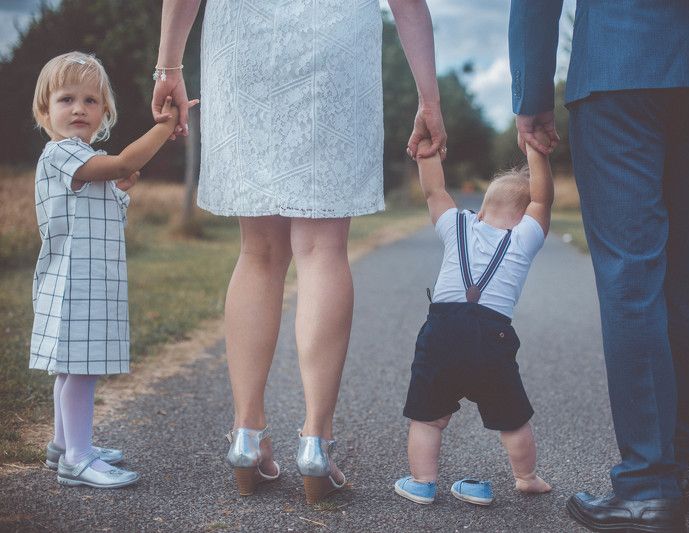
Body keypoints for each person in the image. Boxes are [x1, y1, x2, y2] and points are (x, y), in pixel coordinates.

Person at [151, 0, 446, 503]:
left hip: (244, 44)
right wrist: (429, 99)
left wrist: (168, 67)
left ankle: (247, 435)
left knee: (258, 253)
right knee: (322, 250)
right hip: (335, 45)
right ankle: (315, 443)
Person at [509, 1, 689, 531]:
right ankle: (671, 469)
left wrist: (532, 93)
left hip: (620, 59)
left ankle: (649, 485)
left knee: (630, 275)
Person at [29, 51, 195, 488]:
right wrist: (163, 128)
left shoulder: (82, 160)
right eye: (66, 99)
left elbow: (104, 200)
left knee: (71, 368)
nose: (79, 109)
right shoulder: (61, 152)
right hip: (75, 286)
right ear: (45, 111)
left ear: (104, 111)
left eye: (90, 100)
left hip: (84, 282)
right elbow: (124, 161)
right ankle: (78, 459)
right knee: (81, 369)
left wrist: (119, 189)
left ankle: (63, 445)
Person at [393, 138, 553, 506]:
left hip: (442, 332)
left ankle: (422, 482)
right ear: (526, 219)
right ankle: (526, 477)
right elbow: (543, 201)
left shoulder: (459, 226)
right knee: (512, 419)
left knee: (428, 418)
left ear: (480, 212)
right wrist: (536, 152)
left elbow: (434, 191)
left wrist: (427, 154)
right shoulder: (523, 239)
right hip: (492, 337)